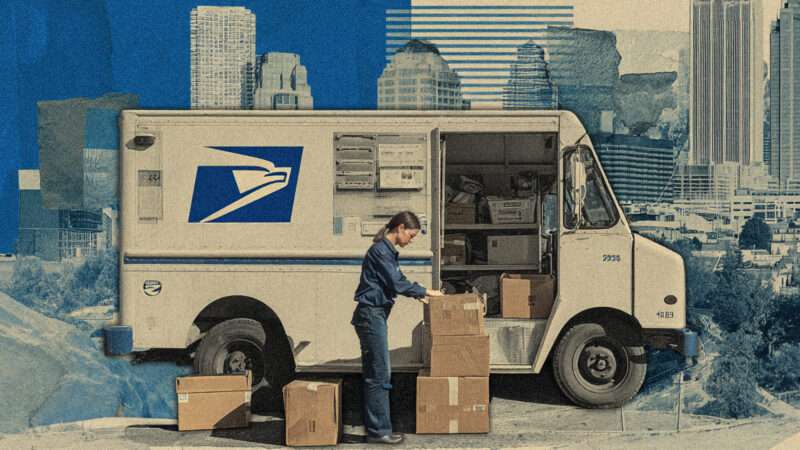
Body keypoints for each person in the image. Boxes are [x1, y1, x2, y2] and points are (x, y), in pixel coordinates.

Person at [351, 211, 443, 445]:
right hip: (371, 315)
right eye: (410, 235)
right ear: (400, 228)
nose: (411, 240)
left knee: (378, 372)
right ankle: (378, 432)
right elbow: (396, 282)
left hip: (374, 315)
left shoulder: (386, 251)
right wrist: (424, 292)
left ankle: (379, 429)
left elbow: (394, 280)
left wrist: (416, 294)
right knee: (378, 373)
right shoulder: (381, 250)